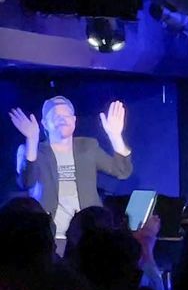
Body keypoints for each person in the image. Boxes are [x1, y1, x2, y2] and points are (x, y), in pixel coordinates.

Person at [11, 96, 132, 239]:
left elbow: (122, 171)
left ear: (74, 120)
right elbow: (26, 182)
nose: (62, 119)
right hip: (49, 236)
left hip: (87, 235)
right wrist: (32, 140)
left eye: (67, 115)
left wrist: (115, 136)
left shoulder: (88, 146)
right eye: (56, 116)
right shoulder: (31, 150)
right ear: (45, 123)